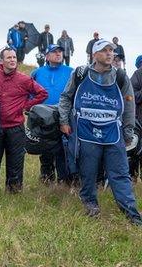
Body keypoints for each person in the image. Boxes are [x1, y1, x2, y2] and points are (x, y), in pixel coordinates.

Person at [59, 39, 142, 225]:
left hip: (113, 133)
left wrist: (128, 131)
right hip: (86, 133)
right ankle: (91, 205)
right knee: (88, 172)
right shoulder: (80, 74)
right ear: (94, 54)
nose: (110, 54)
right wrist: (63, 120)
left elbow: (129, 106)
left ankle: (131, 213)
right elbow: (66, 97)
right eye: (104, 50)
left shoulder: (120, 77)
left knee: (120, 173)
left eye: (111, 51)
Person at [0, 48, 48, 193]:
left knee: (15, 160)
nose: (12, 60)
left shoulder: (24, 79)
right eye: (9, 58)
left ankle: (14, 190)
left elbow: (42, 93)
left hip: (16, 127)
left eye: (14, 57)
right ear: (2, 61)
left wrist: (26, 106)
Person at [31, 44, 73, 184]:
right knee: (46, 149)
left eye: (60, 51)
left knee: (64, 149)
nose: (58, 54)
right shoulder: (37, 72)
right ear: (47, 56)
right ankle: (47, 178)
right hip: (44, 119)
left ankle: (65, 179)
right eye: (54, 52)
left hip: (64, 116)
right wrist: (31, 107)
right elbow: (29, 92)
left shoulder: (71, 71)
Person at [130, 55, 142, 182]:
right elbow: (132, 96)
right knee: (136, 150)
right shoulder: (138, 74)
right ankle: (133, 178)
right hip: (139, 121)